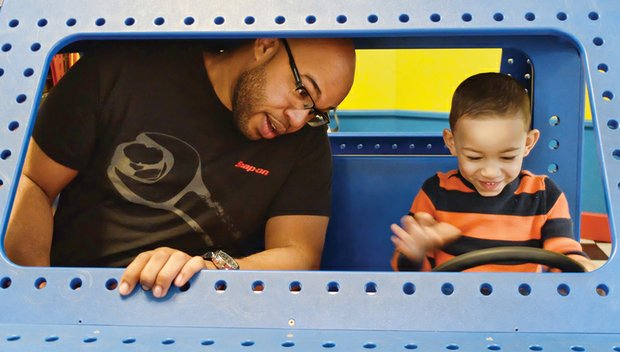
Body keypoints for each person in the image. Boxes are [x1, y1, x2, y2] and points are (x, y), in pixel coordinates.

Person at [4, 38, 357, 297]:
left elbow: (299, 254)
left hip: (209, 304)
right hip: (85, 294)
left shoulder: (304, 142)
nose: (298, 119)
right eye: (301, 91)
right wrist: (43, 293)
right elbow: (32, 182)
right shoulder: (118, 71)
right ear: (265, 45)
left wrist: (210, 268)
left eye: (317, 111)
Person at [390, 72, 594, 272]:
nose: (490, 172)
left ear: (528, 143)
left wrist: (581, 267)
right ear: (452, 143)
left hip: (521, 302)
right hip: (454, 302)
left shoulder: (545, 195)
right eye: (474, 157)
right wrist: (415, 253)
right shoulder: (435, 192)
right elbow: (411, 277)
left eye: (507, 157)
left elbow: (564, 253)